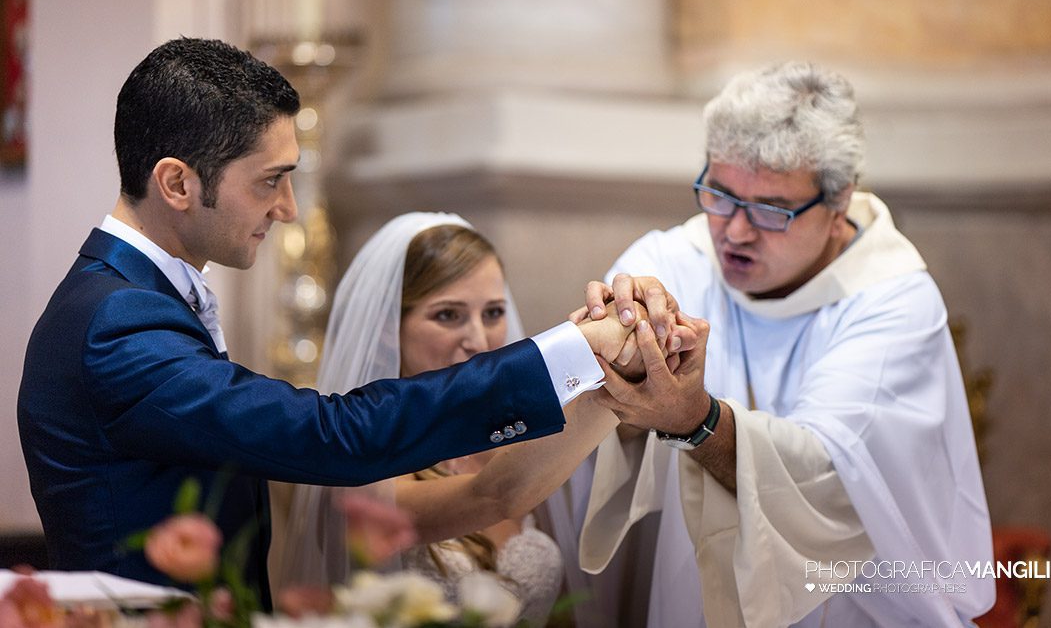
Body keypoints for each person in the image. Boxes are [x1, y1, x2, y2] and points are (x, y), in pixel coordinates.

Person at [15, 38, 661, 607]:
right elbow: (332, 435)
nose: (289, 209)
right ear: (178, 183)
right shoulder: (117, 321)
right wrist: (571, 351)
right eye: (270, 181)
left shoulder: (131, 299)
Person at [576, 62, 996, 626]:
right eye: (720, 194)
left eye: (771, 210)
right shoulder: (672, 262)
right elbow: (589, 405)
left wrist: (694, 420)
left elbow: (826, 482)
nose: (735, 231)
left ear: (839, 202)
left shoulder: (894, 301)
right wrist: (618, 349)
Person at [274, 213, 639, 626]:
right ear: (386, 326)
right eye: (448, 315)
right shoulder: (355, 461)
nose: (480, 341)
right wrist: (609, 369)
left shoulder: (512, 431)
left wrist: (637, 345)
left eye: (493, 313)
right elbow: (494, 496)